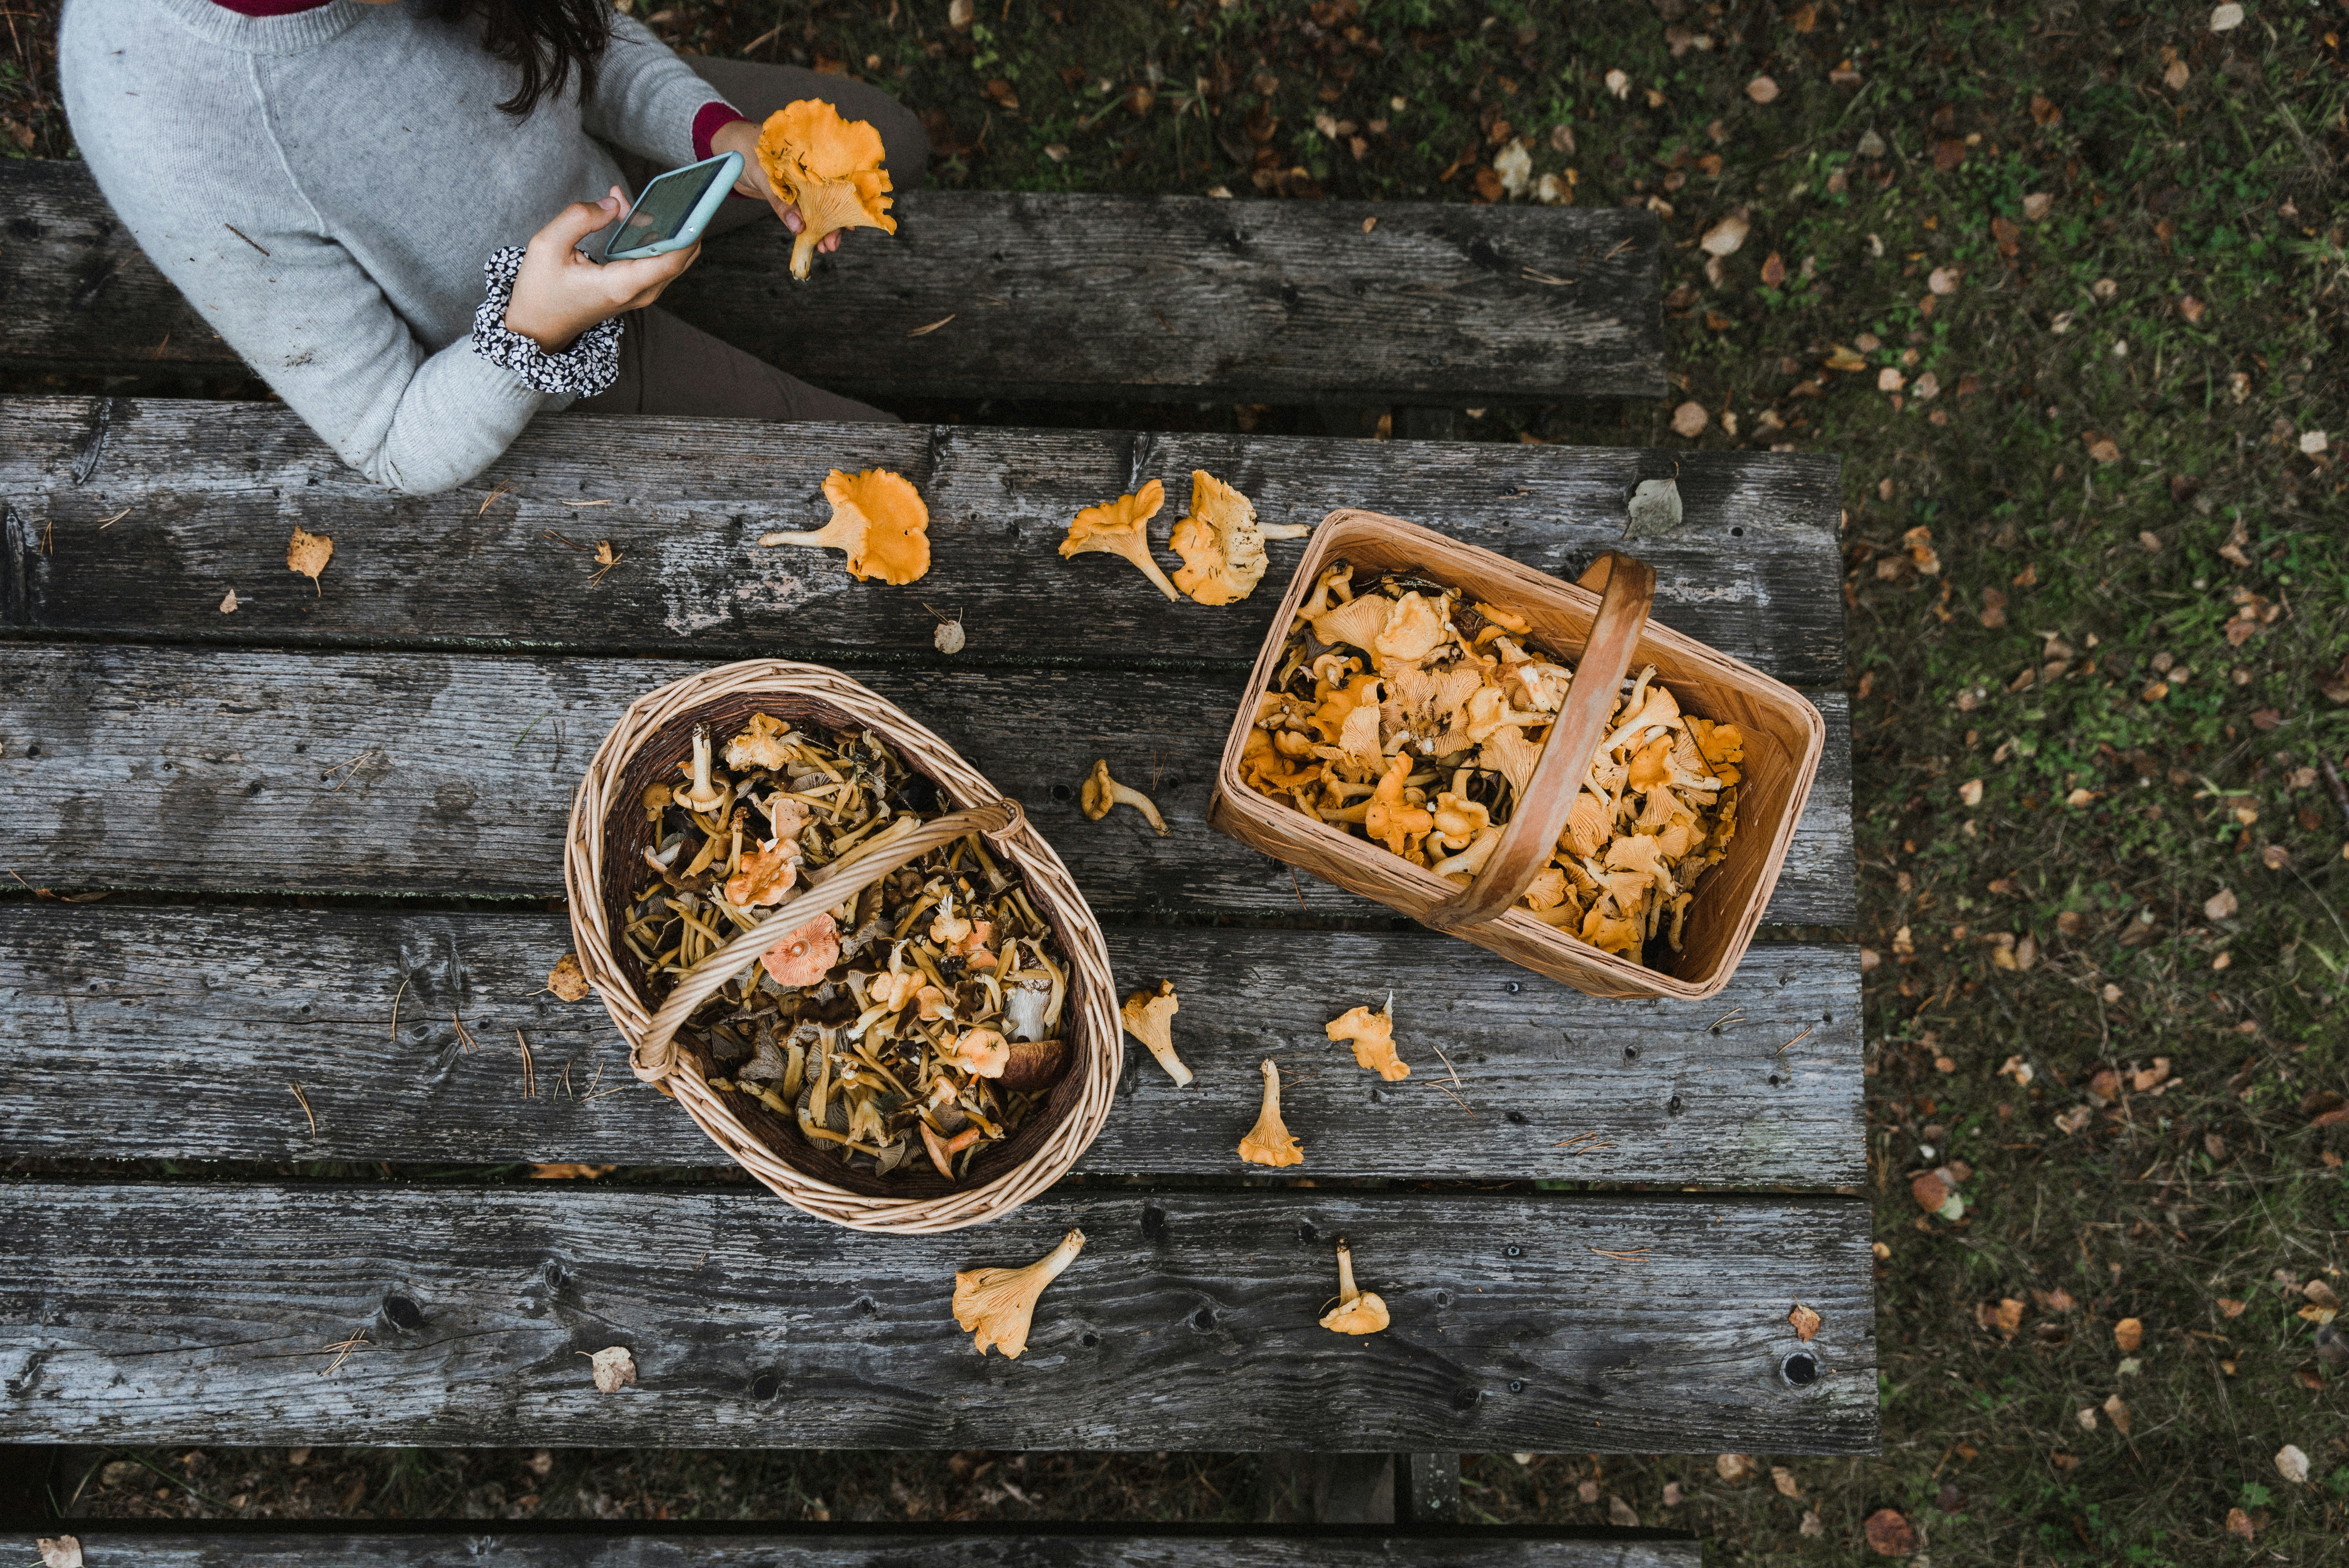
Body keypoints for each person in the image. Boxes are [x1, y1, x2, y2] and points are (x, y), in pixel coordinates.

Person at [57, 0, 929, 495]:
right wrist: (535, 330)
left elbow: (567, 39)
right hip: (534, 348)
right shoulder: (166, 118)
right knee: (901, 472)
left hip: (607, 173)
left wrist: (708, 130)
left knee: (890, 141)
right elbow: (390, 440)